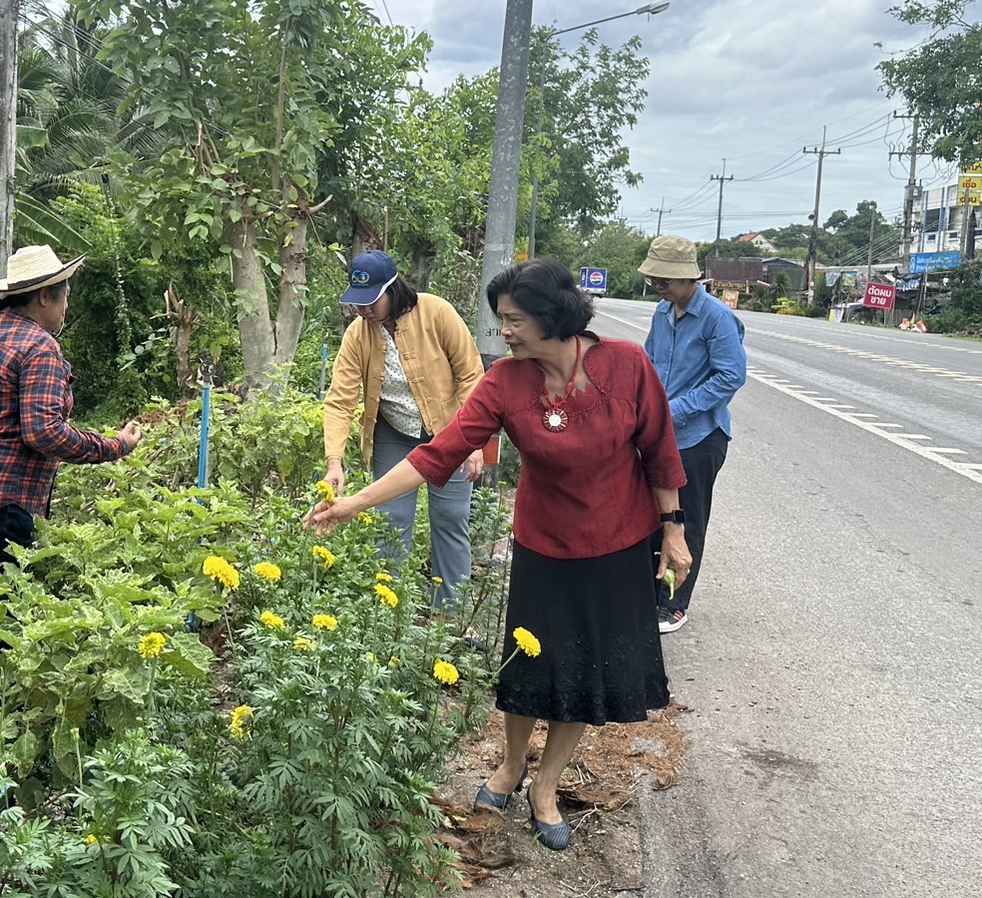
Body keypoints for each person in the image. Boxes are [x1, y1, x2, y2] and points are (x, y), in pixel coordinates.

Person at [306, 259, 691, 851]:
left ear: (550, 315)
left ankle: (546, 787)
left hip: (616, 546)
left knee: (587, 672)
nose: (503, 331)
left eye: (512, 320)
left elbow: (660, 451)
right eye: (500, 320)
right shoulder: (506, 383)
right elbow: (437, 453)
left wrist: (673, 528)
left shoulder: (627, 365)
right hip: (545, 545)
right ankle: (511, 767)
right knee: (531, 669)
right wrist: (353, 504)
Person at [0, 245, 142, 576]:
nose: (67, 306)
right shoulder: (39, 347)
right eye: (65, 296)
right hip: (5, 501)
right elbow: (44, 432)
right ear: (46, 297)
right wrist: (114, 446)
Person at [322, 251, 485, 606]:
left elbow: (471, 374)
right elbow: (340, 399)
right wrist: (335, 459)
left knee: (450, 517)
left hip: (450, 431)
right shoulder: (357, 335)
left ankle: (450, 612)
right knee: (390, 520)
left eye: (371, 302)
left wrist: (474, 441)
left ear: (393, 289)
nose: (364, 311)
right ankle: (388, 611)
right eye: (358, 303)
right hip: (394, 432)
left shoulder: (436, 312)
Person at [639, 236, 747, 634]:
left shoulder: (717, 318)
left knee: (687, 520)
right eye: (655, 281)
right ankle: (649, 594)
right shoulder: (662, 313)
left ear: (687, 279)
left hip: (699, 437)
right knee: (654, 516)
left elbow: (731, 376)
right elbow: (649, 363)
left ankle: (674, 604)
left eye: (664, 281)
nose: (659, 288)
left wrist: (675, 410)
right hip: (660, 434)